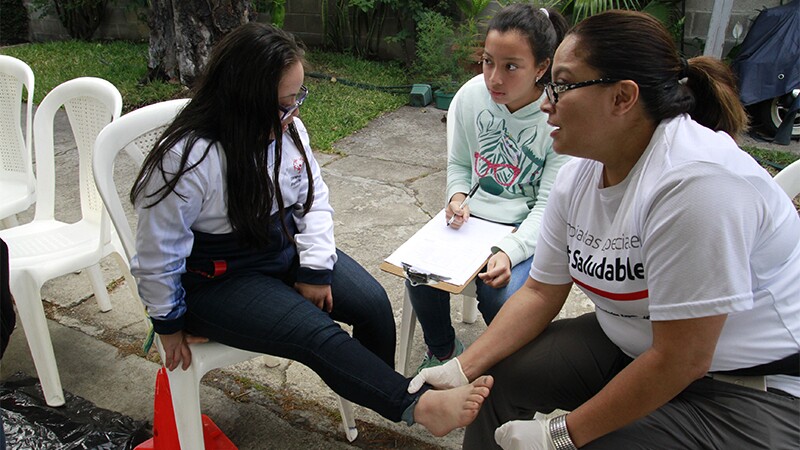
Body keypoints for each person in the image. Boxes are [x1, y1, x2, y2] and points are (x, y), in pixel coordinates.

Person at [409, 10, 800, 449]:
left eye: (562, 85)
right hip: (634, 344)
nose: (544, 102)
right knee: (495, 381)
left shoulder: (697, 185)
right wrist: (462, 367)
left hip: (749, 386)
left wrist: (562, 434)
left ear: (623, 97)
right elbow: (540, 293)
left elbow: (682, 358)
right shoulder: (579, 174)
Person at [129, 22, 493, 437]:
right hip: (219, 279)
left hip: (281, 251)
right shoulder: (187, 158)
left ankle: (373, 389)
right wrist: (168, 324)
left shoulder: (288, 133)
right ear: (244, 100)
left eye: (298, 97)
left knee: (373, 305)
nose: (295, 112)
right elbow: (157, 256)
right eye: (285, 103)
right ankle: (416, 405)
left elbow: (315, 201)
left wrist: (315, 269)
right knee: (314, 334)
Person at [407, 3, 571, 373]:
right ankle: (443, 351)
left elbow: (549, 206)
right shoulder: (471, 97)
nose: (494, 78)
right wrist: (457, 196)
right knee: (418, 271)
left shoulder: (559, 115)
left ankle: (504, 367)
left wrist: (510, 252)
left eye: (511, 66)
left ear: (542, 68)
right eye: (487, 61)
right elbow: (461, 164)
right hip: (473, 223)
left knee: (500, 296)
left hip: (525, 230)